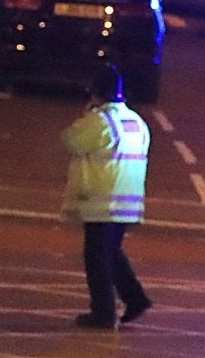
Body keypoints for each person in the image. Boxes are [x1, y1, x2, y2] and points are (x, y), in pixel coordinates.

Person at [60, 63, 152, 331]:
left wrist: (86, 114)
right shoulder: (136, 121)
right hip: (128, 200)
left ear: (95, 91)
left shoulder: (100, 121)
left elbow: (70, 141)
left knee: (96, 257)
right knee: (111, 252)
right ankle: (135, 298)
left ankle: (103, 312)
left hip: (101, 200)